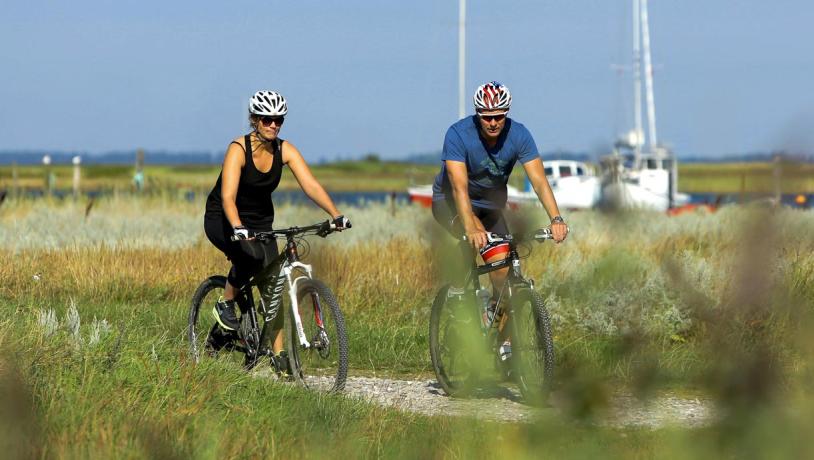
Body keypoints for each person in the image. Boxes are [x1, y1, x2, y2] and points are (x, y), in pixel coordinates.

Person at [203, 90, 350, 364]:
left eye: (278, 120)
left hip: (260, 222)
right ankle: (225, 303)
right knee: (250, 256)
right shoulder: (238, 149)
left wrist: (336, 214)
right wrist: (237, 226)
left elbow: (311, 185)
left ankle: (280, 356)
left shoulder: (285, 149)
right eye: (267, 119)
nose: (273, 125)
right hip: (223, 217)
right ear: (255, 120)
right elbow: (227, 197)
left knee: (272, 288)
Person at [431, 81, 568, 358]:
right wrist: (470, 225)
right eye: (486, 117)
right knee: (475, 236)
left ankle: (502, 342)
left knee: (503, 269)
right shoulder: (459, 134)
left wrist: (556, 218)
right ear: (478, 114)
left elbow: (539, 180)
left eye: (499, 116)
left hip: (491, 208)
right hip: (451, 202)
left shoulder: (519, 135)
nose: (493, 123)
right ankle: (459, 293)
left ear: (506, 114)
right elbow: (458, 186)